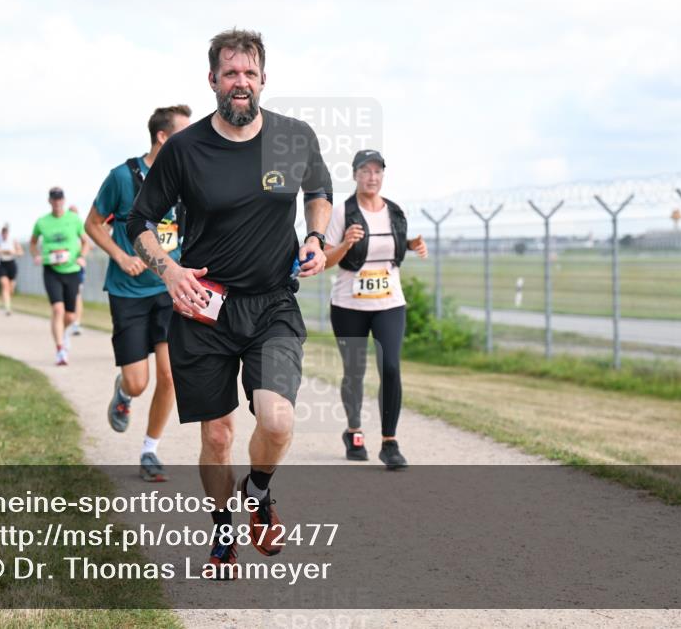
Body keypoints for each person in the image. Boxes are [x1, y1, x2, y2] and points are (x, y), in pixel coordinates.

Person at [126, 29, 332, 575]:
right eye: (230, 73)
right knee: (217, 435)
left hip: (272, 304)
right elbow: (139, 222)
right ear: (213, 80)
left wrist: (314, 237)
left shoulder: (293, 137)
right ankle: (221, 532)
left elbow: (318, 192)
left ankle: (258, 492)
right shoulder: (186, 149)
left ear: (264, 79)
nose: (240, 82)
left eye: (249, 73)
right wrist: (167, 271)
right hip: (204, 307)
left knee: (279, 419)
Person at [86, 103, 192, 482]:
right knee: (138, 380)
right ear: (163, 136)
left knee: (170, 374)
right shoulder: (122, 176)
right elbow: (93, 223)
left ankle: (150, 450)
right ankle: (125, 393)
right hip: (128, 290)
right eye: (184, 131)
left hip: (168, 290)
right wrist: (119, 254)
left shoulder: (186, 179)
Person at [324, 149, 428, 470]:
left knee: (391, 368)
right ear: (355, 174)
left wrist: (411, 245)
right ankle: (354, 432)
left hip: (389, 302)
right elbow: (325, 259)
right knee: (355, 372)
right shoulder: (342, 213)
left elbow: (393, 244)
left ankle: (389, 442)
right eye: (365, 171)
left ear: (383, 175)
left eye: (377, 171)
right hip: (348, 304)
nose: (372, 177)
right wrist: (345, 244)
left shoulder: (395, 211)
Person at [31, 188, 89, 366]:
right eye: (53, 199)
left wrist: (81, 256)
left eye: (59, 199)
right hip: (51, 270)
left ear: (63, 200)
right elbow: (33, 243)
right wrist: (36, 255)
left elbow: (85, 241)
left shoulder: (74, 220)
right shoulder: (42, 222)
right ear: (49, 201)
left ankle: (62, 334)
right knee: (58, 310)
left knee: (70, 317)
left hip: (71, 270)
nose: (57, 202)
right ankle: (60, 350)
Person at [67, 205, 86, 335]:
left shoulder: (80, 229)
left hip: (77, 268)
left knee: (77, 295)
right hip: (63, 268)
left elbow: (87, 245)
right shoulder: (65, 229)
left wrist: (81, 257)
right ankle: (68, 321)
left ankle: (76, 323)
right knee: (65, 297)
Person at [0, 224, 23, 315]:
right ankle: (7, 308)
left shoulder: (13, 240)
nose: (5, 234)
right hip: (2, 264)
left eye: (6, 232)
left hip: (11, 264)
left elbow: (21, 252)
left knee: (11, 289)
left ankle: (6, 299)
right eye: (3, 232)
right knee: (4, 285)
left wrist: (13, 252)